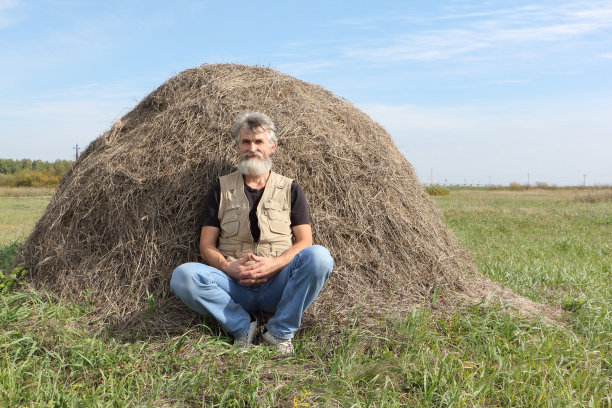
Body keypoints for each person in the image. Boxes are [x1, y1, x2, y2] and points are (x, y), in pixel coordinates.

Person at [170, 111, 334, 354]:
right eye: (246, 142)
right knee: (183, 276)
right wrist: (228, 267)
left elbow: (305, 241)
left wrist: (274, 265)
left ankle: (279, 332)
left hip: (277, 285)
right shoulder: (221, 188)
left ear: (272, 147)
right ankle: (241, 325)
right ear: (237, 147)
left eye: (259, 142)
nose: (252, 148)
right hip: (234, 288)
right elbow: (206, 246)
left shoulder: (290, 188)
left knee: (320, 257)